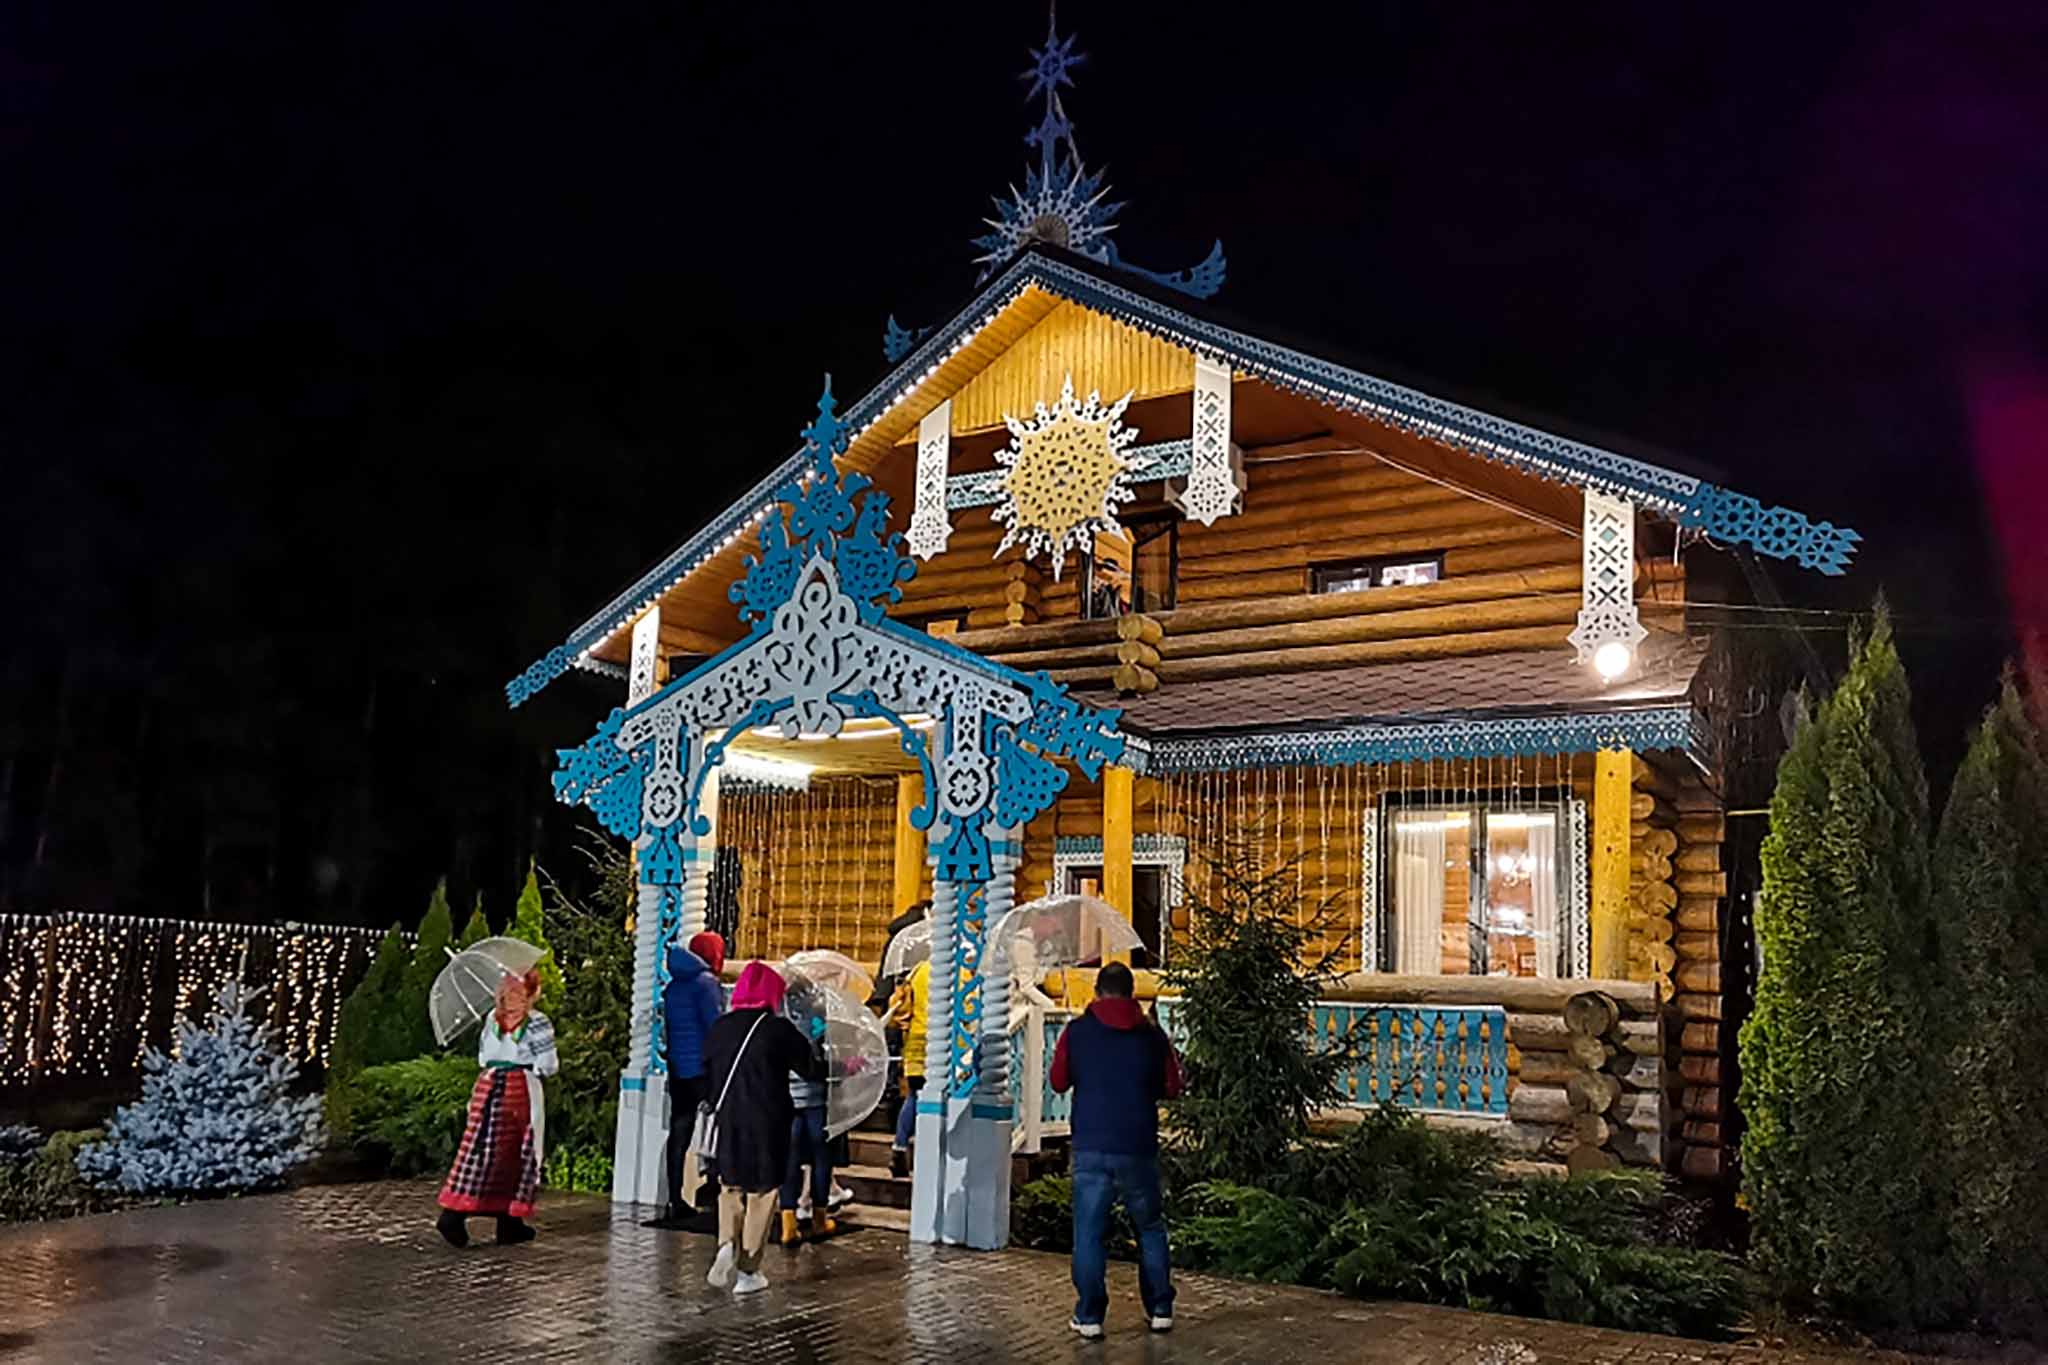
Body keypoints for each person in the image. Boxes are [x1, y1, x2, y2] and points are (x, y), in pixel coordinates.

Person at [1049, 960, 1182, 1339]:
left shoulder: (1078, 1032)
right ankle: (1160, 1308)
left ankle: (1089, 1315)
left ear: (1097, 992)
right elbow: (1172, 1086)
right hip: (1138, 1144)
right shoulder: (1152, 1036)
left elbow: (1058, 1081)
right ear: (1131, 993)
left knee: (1089, 1233)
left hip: (1091, 1144)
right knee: (1150, 1228)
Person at [700, 962, 824, 1295]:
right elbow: (811, 1069)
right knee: (762, 1190)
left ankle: (726, 1243)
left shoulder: (721, 1027)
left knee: (730, 1185)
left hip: (728, 1117)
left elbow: (706, 1072)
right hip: (769, 1120)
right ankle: (749, 1271)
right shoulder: (777, 1029)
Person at [436, 970, 560, 1248]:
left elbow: (483, 1057)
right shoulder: (537, 1022)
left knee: (480, 1151)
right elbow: (549, 1065)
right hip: (518, 1090)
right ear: (532, 993)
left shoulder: (492, 1018)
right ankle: (456, 1216)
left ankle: (508, 1223)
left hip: (487, 1086)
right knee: (516, 1154)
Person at [649, 929, 725, 1230]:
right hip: (703, 1069)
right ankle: (716, 1190)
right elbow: (715, 1027)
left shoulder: (673, 986)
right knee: (718, 1127)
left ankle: (675, 1198)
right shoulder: (706, 984)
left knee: (680, 1132)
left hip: (678, 1068)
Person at [886, 955, 931, 1178]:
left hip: (914, 1041)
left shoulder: (917, 971)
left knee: (914, 1095)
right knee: (935, 1101)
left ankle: (899, 1147)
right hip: (940, 1043)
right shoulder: (957, 972)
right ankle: (927, 1153)